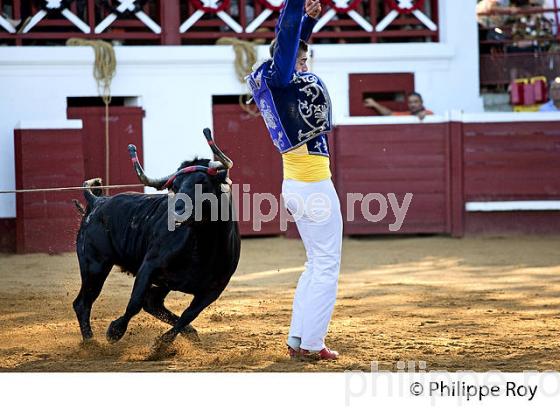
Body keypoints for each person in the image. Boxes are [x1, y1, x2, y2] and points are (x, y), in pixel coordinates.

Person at [246, 0, 342, 361]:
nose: (305, 67)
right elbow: (286, 40)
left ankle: (299, 338)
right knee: (326, 265)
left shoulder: (273, 82)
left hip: (299, 184)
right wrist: (297, 6)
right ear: (283, 62)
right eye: (300, 62)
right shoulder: (279, 76)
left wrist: (309, 22)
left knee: (316, 263)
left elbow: (293, 44)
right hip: (314, 187)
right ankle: (312, 344)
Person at [364, 92, 434, 120]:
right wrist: (375, 104)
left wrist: (424, 114)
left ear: (421, 102)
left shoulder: (429, 113)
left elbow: (428, 114)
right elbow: (389, 114)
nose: (413, 104)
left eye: (416, 102)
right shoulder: (406, 114)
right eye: (410, 102)